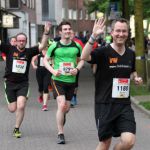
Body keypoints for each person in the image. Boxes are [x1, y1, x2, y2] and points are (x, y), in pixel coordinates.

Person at [81, 18, 143, 150]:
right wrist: (93, 36)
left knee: (129, 141)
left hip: (124, 105)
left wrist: (136, 78)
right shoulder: (103, 52)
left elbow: (132, 71)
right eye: (118, 31)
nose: (121, 34)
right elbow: (84, 56)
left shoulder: (131, 54)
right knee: (105, 143)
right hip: (105, 104)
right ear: (112, 32)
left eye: (124, 31)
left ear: (128, 33)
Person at [0, 22, 52, 138]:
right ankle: (12, 105)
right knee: (12, 109)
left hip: (23, 84)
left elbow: (42, 45)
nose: (21, 42)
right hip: (9, 83)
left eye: (23, 40)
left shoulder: (29, 52)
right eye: (19, 40)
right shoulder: (9, 49)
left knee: (21, 105)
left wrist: (46, 32)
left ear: (26, 41)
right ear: (16, 41)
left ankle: (16, 128)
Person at [43, 21, 84, 144]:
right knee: (61, 105)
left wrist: (77, 69)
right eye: (65, 29)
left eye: (69, 29)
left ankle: (62, 115)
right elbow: (45, 60)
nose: (67, 31)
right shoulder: (54, 46)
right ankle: (60, 133)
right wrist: (53, 71)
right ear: (60, 32)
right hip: (57, 80)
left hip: (71, 81)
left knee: (66, 109)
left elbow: (81, 60)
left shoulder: (77, 46)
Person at [31, 45, 52, 111]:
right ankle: (41, 95)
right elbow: (33, 60)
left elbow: (53, 61)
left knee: (45, 87)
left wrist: (53, 66)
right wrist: (34, 65)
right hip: (39, 71)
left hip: (48, 71)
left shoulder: (50, 53)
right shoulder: (38, 53)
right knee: (40, 87)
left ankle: (44, 105)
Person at [70, 30, 84, 107]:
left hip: (75, 67)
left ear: (74, 34)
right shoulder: (62, 43)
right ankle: (68, 97)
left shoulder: (78, 43)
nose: (70, 34)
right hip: (64, 68)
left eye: (72, 33)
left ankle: (74, 97)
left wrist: (79, 65)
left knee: (75, 83)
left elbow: (83, 54)